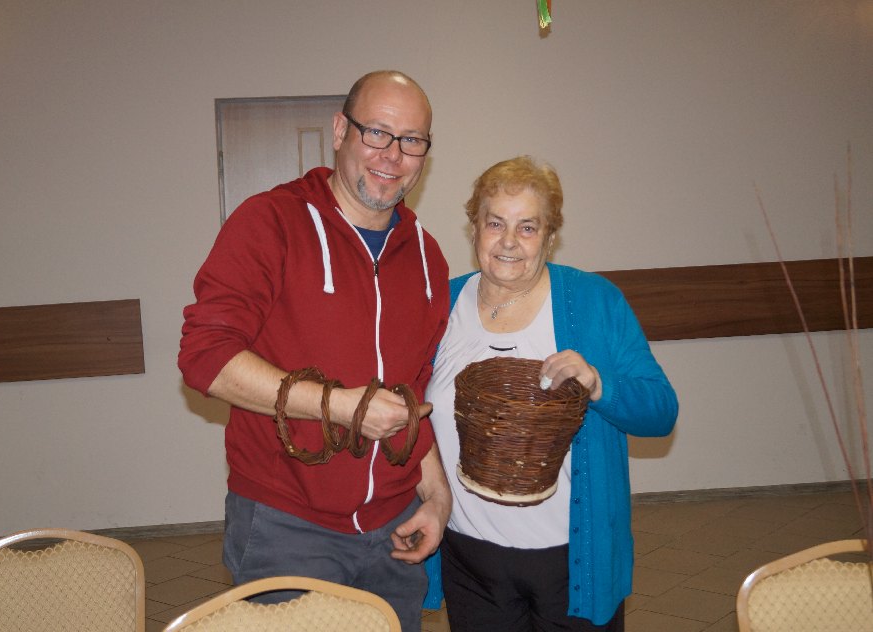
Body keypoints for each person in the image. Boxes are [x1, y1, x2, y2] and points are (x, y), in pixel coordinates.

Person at [178, 70, 452, 631]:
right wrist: (340, 406)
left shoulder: (427, 257)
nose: (392, 154)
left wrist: (437, 495)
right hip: (286, 527)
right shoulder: (270, 222)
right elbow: (205, 356)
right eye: (376, 132)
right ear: (340, 130)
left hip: (394, 529)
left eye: (411, 140)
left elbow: (413, 396)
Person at [425, 156, 678, 631]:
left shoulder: (595, 301)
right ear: (473, 228)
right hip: (469, 558)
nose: (508, 241)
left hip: (571, 560)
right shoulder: (440, 304)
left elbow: (661, 411)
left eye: (527, 227)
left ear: (550, 236)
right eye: (495, 223)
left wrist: (599, 383)